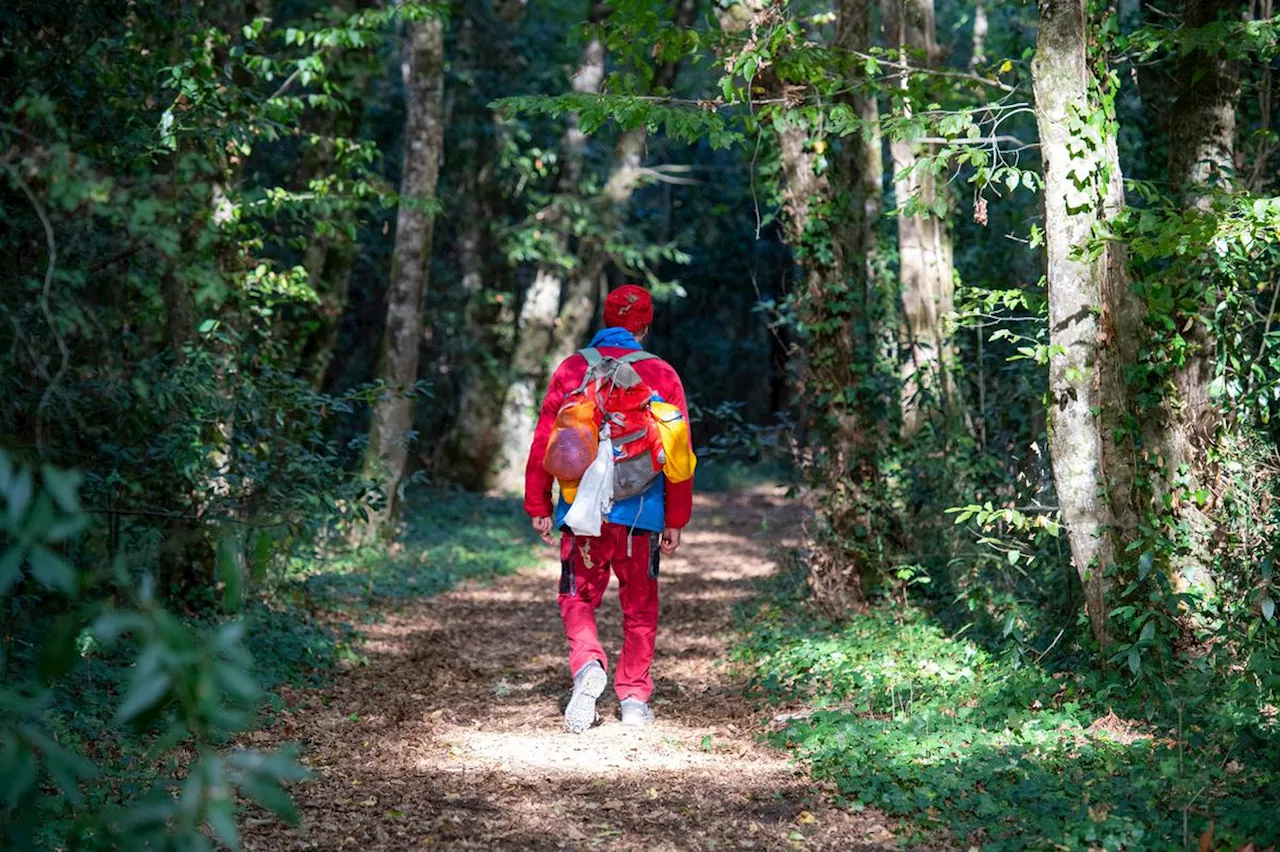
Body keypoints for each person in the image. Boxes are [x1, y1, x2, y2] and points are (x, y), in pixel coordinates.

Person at [524, 284, 693, 733]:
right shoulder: (662, 374)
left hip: (582, 514)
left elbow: (545, 440)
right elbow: (679, 450)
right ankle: (634, 698)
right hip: (642, 514)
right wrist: (676, 518)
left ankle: (587, 664)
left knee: (577, 596)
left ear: (605, 318)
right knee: (640, 606)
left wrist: (538, 502)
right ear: (646, 323)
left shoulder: (573, 368)